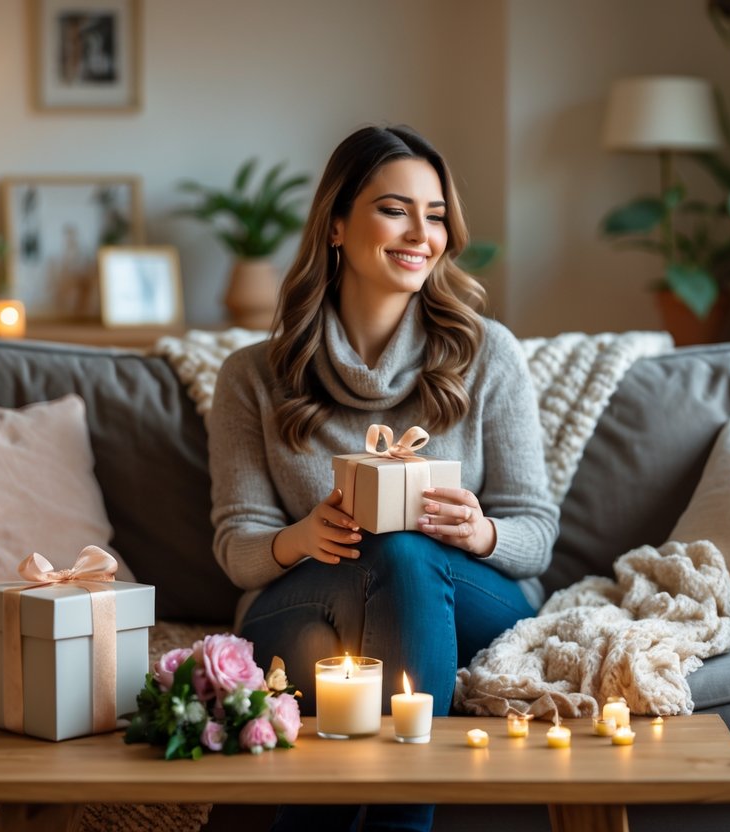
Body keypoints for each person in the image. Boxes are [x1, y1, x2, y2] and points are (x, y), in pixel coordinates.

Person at [207, 124, 558, 832]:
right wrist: (302, 537)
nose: (420, 234)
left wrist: (480, 530)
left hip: (466, 597)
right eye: (394, 209)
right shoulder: (251, 375)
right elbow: (236, 549)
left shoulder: (488, 354)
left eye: (434, 216)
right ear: (336, 224)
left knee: (401, 550)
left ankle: (397, 818)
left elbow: (537, 534)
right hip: (310, 596)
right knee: (320, 630)